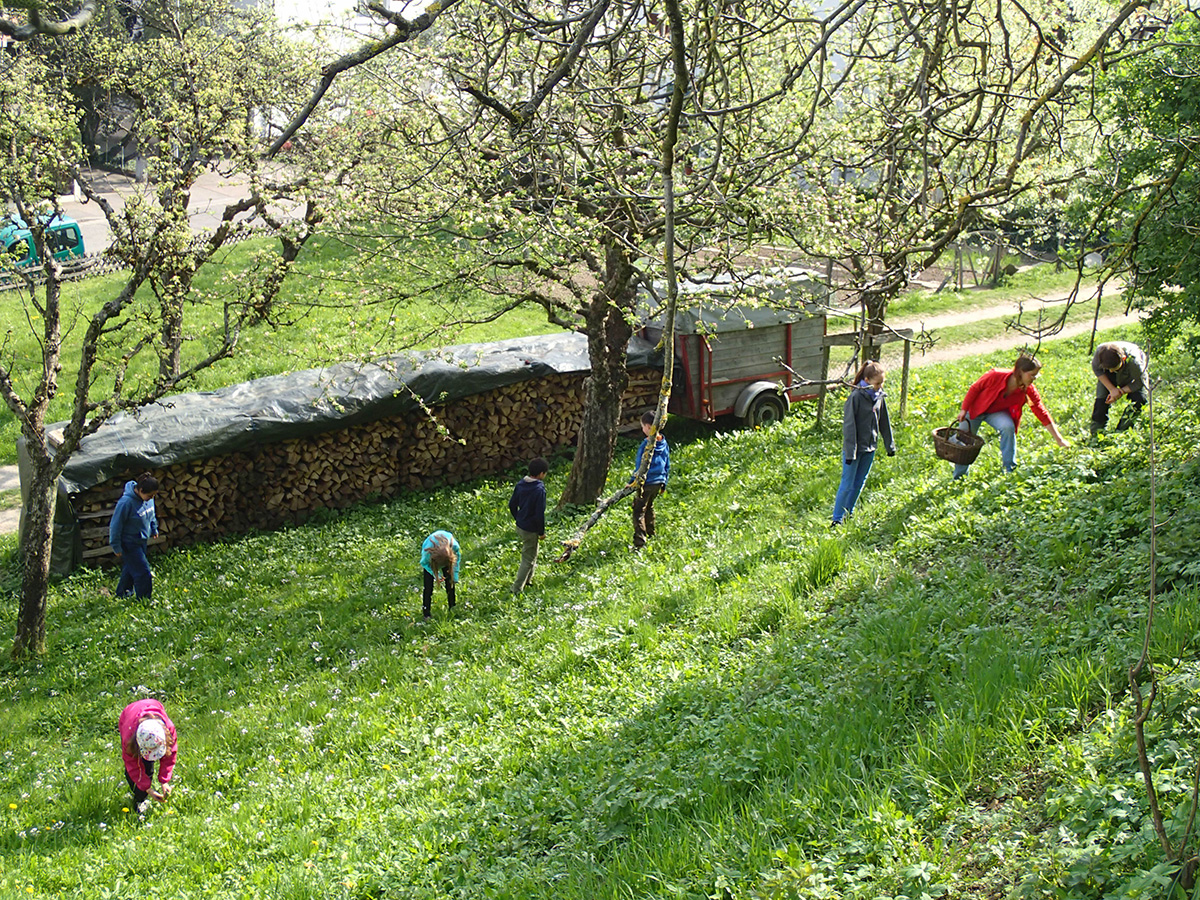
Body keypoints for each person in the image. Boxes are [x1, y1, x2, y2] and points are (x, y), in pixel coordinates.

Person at [952, 355, 1070, 479]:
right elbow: (975, 388)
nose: (1034, 378)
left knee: (1008, 427)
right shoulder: (995, 375)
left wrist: (1059, 439)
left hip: (995, 412)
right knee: (964, 440)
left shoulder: (1027, 389)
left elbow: (1040, 410)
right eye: (1032, 375)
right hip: (975, 410)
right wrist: (964, 410)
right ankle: (959, 477)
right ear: (1020, 372)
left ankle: (1010, 470)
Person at [832, 361, 896, 526]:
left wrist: (890, 445)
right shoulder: (855, 397)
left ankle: (848, 513)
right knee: (847, 484)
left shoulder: (879, 396)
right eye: (877, 383)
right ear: (867, 380)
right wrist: (851, 452)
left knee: (859, 482)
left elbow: (884, 422)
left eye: (882, 383)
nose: (880, 386)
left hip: (870, 447)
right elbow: (849, 427)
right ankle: (836, 519)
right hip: (853, 449)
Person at [119, 698, 177, 814]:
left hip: (153, 704)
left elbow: (170, 754)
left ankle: (142, 796)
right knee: (144, 767)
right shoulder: (128, 737)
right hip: (129, 714)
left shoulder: (169, 729)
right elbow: (133, 765)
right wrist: (147, 789)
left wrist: (164, 781)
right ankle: (139, 802)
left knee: (149, 764)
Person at [109, 473, 160, 599]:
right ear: (141, 490)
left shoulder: (148, 498)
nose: (151, 498)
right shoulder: (126, 503)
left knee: (130, 567)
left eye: (153, 495)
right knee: (143, 572)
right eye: (149, 495)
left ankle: (122, 594)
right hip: (129, 543)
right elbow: (115, 526)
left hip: (142, 540)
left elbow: (151, 514)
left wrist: (154, 528)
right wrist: (116, 545)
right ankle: (144, 600)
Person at [629, 411, 670, 550]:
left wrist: (632, 481)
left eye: (642, 427)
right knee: (649, 507)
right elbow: (667, 464)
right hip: (658, 482)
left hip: (646, 482)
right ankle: (651, 533)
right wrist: (664, 481)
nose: (642, 430)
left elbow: (640, 465)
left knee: (638, 510)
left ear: (647, 427)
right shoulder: (664, 443)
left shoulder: (646, 445)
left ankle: (640, 543)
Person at [1090, 341, 1150, 434]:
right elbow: (1097, 370)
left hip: (1131, 375)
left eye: (1114, 368)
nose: (1110, 371)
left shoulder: (1135, 362)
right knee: (1101, 400)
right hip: (1110, 368)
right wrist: (1112, 389)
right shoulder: (1100, 354)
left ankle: (1122, 431)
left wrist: (1121, 391)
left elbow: (1140, 382)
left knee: (1139, 400)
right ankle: (1096, 432)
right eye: (1108, 369)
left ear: (1124, 358)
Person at [509, 457, 548, 594]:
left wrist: (518, 518)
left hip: (521, 526)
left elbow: (512, 504)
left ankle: (528, 580)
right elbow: (539, 514)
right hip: (531, 529)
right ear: (542, 473)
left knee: (532, 553)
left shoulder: (520, 485)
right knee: (528, 560)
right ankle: (517, 588)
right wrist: (541, 532)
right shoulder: (539, 490)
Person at [420, 530, 461, 618]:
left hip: (447, 555)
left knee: (450, 582)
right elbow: (424, 563)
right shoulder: (427, 553)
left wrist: (455, 576)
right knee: (428, 587)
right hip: (432, 557)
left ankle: (452, 607)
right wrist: (436, 575)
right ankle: (426, 613)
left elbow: (457, 560)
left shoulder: (454, 546)